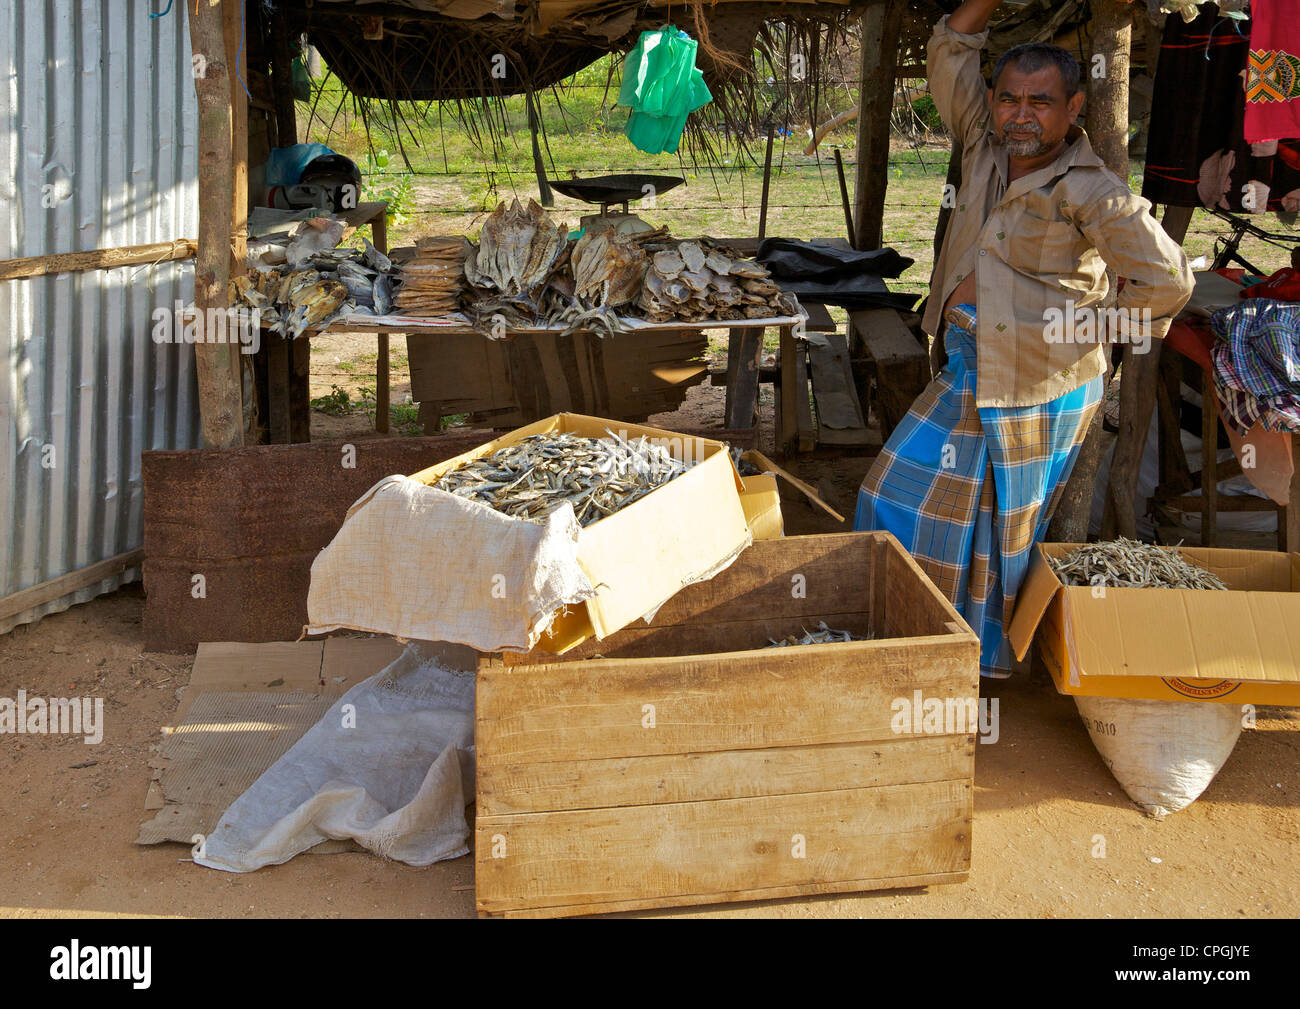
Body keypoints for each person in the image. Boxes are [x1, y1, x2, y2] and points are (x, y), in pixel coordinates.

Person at [854, 0, 1194, 676]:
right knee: (903, 503)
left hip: (1039, 381)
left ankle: (974, 667)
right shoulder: (983, 144)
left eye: (1040, 102)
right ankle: (924, 642)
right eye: (1009, 98)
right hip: (969, 364)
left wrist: (1089, 329)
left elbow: (1168, 279)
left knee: (991, 536)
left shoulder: (1091, 190)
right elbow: (951, 48)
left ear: (1073, 109)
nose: (1021, 113)